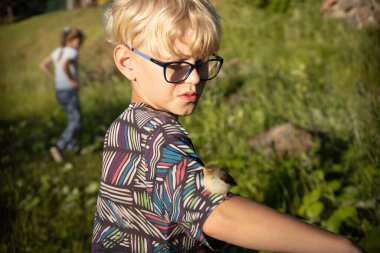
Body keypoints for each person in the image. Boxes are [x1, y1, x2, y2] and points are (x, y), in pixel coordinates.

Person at [92, 0, 364, 252]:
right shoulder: (157, 135)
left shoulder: (125, 126)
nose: (195, 78)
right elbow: (218, 215)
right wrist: (338, 246)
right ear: (128, 63)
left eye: (200, 63)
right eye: (175, 64)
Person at [39, 26, 85, 163]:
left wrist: (55, 78)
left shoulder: (57, 51)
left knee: (73, 118)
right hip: (69, 91)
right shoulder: (72, 52)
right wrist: (71, 80)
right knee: (76, 120)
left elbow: (43, 65)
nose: (80, 44)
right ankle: (59, 146)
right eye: (78, 40)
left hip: (60, 91)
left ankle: (72, 148)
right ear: (70, 40)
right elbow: (65, 65)